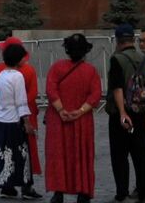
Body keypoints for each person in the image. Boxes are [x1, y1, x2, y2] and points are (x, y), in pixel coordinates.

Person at [43, 34, 102, 203]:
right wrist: (81, 110)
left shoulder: (56, 68)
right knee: (82, 154)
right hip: (82, 121)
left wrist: (61, 110)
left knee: (58, 155)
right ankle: (83, 191)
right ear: (85, 51)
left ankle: (58, 191)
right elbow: (96, 94)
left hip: (58, 119)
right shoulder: (91, 71)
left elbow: (50, 88)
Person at [0, 36, 43, 199]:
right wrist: (27, 120)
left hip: (1, 117)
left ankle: (6, 184)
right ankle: (26, 186)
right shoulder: (26, 71)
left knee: (5, 151)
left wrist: (0, 106)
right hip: (19, 116)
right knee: (24, 152)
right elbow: (29, 96)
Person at [107, 23, 145, 202]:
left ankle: (122, 193)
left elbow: (117, 87)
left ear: (118, 41)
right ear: (133, 40)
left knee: (120, 156)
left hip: (121, 114)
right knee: (141, 155)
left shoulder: (117, 59)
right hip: (140, 112)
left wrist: (121, 112)